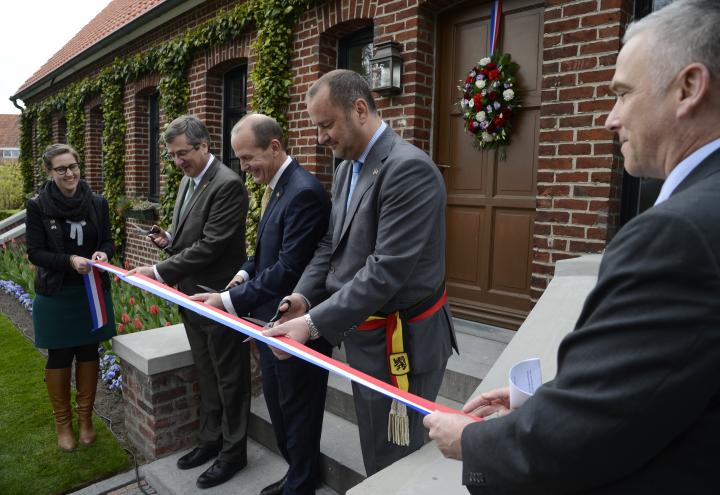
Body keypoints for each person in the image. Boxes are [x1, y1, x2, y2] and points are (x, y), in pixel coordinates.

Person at [423, 1, 720, 492]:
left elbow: (579, 439)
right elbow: (656, 381)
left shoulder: (677, 235)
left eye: (622, 94)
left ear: (688, 88)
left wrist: (473, 442)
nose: (609, 119)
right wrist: (548, 400)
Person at [263, 69, 458, 476]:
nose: (321, 138)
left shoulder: (407, 169)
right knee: (376, 448)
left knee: (395, 461)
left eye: (326, 124)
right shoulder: (346, 167)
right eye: (317, 127)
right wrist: (302, 297)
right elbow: (331, 245)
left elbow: (386, 270)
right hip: (366, 335)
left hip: (403, 342)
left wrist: (312, 324)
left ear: (360, 108)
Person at [192, 113, 332, 495]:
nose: (244, 167)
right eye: (239, 159)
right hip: (269, 323)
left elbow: (289, 267)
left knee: (298, 410)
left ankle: (301, 483)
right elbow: (265, 254)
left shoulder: (303, 191)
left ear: (274, 146)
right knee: (282, 408)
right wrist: (243, 274)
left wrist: (226, 300)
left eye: (248, 157)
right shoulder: (278, 186)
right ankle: (296, 473)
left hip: (295, 327)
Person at [128, 115, 250, 489]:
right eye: (173, 156)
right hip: (192, 298)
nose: (178, 161)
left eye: (183, 153)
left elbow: (212, 245)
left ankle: (233, 454)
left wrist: (161, 270)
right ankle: (209, 441)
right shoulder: (187, 180)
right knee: (206, 373)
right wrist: (169, 240)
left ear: (204, 146)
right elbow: (192, 237)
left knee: (230, 379)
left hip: (218, 300)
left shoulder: (228, 185)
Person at [26, 143, 116, 452]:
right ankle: (63, 424)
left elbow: (108, 239)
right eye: (62, 168)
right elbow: (35, 252)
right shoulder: (38, 206)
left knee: (89, 352)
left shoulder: (97, 202)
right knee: (60, 355)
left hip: (90, 292)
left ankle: (87, 420)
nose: (70, 173)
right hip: (55, 293)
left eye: (74, 166)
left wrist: (103, 252)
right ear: (50, 173)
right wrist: (68, 261)